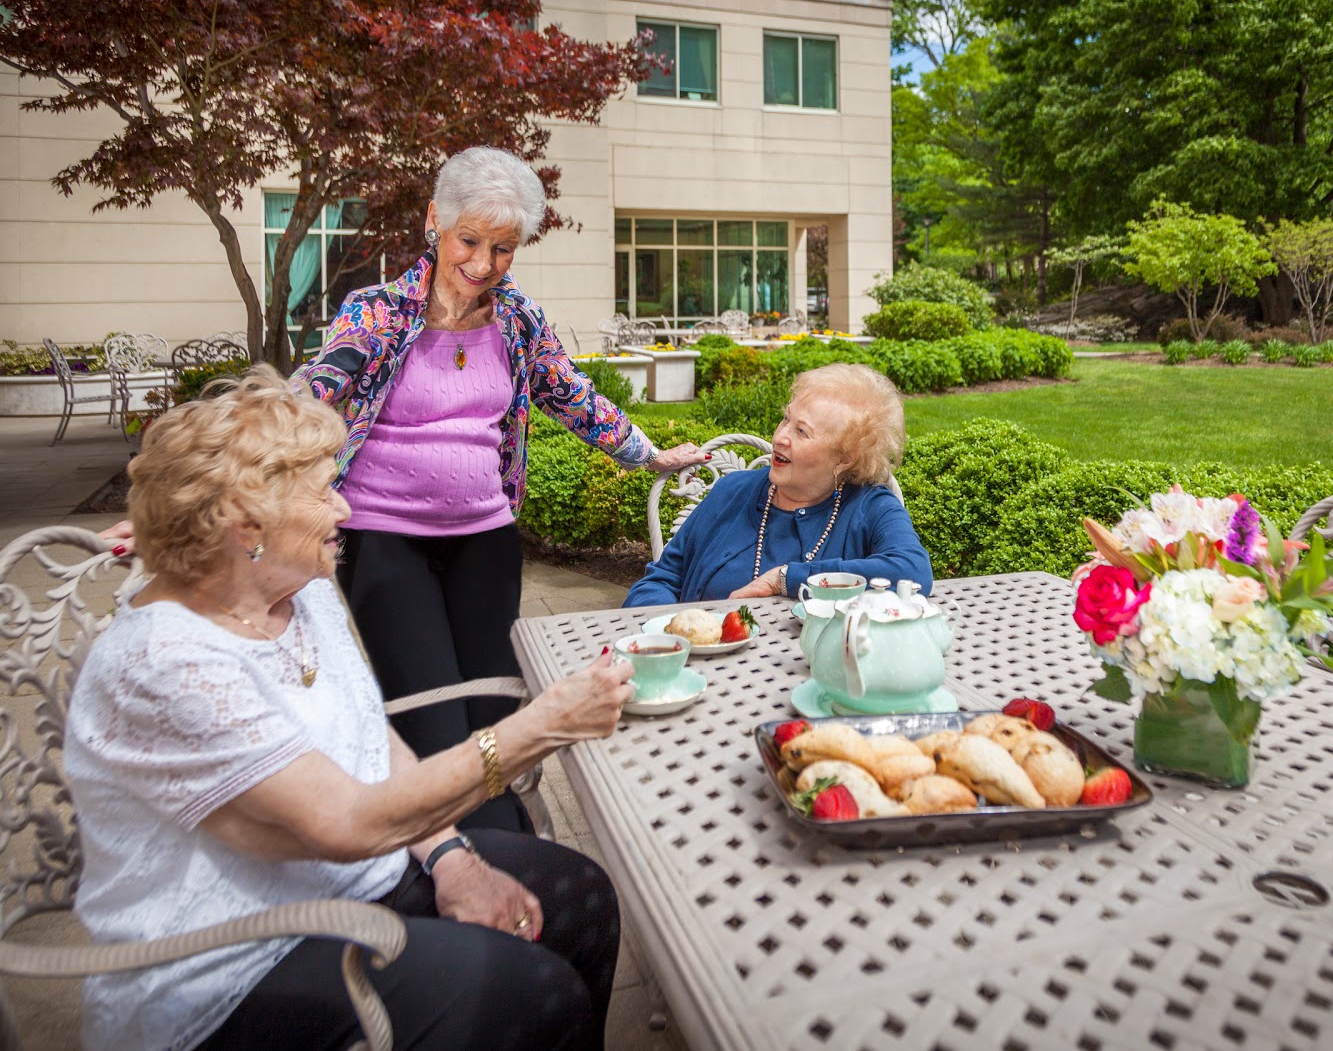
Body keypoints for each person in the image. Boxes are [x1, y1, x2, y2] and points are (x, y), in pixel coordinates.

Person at [66, 368, 634, 1051]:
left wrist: (450, 854)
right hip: (230, 965)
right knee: (536, 993)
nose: (345, 510)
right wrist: (537, 728)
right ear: (247, 524)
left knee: (583, 897)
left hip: (357, 883)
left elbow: (371, 737)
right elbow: (346, 822)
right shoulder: (165, 661)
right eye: (324, 492)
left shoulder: (299, 586)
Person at [291, 146, 702, 834]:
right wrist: (201, 497)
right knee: (430, 717)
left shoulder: (517, 321)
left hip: (484, 539)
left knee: (494, 717)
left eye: (503, 248)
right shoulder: (377, 314)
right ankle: (458, 856)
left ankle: (499, 850)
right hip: (385, 541)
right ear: (435, 223)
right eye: (470, 241)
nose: (483, 264)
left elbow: (572, 396)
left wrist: (649, 454)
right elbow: (306, 404)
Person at [624, 362, 934, 605]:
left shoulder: (870, 507)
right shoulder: (732, 491)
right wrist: (665, 630)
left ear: (844, 459)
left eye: (802, 431)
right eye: (786, 419)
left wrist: (786, 578)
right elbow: (662, 579)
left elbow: (911, 570)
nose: (780, 437)